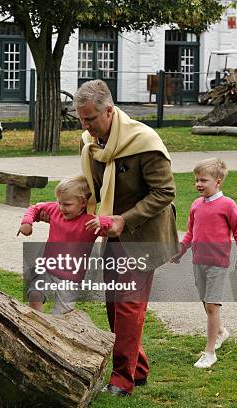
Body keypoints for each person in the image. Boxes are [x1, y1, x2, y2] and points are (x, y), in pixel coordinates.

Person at [76, 79, 179, 397]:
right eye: (81, 119)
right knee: (113, 305)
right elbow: (90, 187)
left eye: (90, 118)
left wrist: (125, 219)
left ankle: (123, 379)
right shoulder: (91, 142)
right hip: (112, 232)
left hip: (142, 234)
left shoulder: (144, 142)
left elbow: (165, 192)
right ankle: (138, 367)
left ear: (109, 111)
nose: (85, 125)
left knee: (129, 307)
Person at [171, 158, 237, 369]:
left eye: (203, 180)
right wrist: (180, 252)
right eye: (196, 180)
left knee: (212, 305)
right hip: (198, 262)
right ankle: (221, 332)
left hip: (218, 263)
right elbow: (190, 233)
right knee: (206, 303)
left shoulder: (228, 205)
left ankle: (210, 352)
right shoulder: (196, 205)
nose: (198, 184)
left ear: (218, 182)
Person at [18, 176, 112, 314]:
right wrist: (26, 222)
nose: (62, 208)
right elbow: (35, 208)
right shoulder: (56, 209)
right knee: (35, 293)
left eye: (67, 204)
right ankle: (36, 318)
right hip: (47, 266)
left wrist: (103, 222)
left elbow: (110, 227)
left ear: (83, 203)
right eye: (59, 203)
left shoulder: (90, 222)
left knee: (63, 313)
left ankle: (56, 329)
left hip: (71, 276)